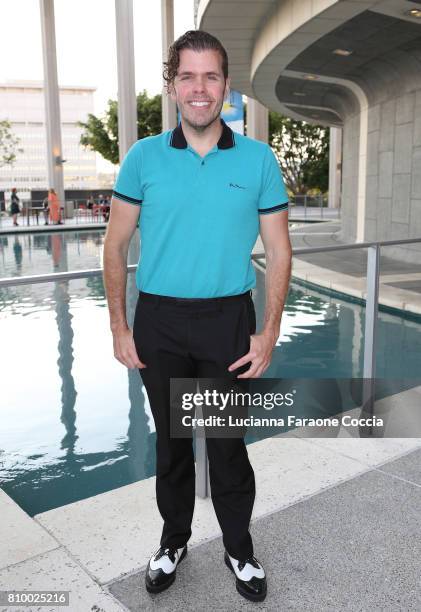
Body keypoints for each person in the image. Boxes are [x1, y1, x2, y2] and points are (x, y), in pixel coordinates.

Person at [103, 30, 291, 603]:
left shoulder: (258, 159)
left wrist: (270, 329)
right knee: (173, 443)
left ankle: (239, 547)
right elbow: (114, 247)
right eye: (188, 76)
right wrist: (119, 325)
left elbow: (280, 251)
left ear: (226, 87)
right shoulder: (144, 157)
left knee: (228, 444)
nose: (199, 88)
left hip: (227, 320)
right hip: (159, 321)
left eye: (211, 76)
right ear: (173, 85)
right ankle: (173, 540)